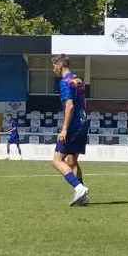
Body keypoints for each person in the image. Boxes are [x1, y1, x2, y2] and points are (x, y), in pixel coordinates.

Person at [49, 55, 90, 206]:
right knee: (72, 161)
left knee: (56, 160)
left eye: (54, 65)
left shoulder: (65, 82)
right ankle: (83, 196)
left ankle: (79, 188)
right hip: (83, 122)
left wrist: (64, 129)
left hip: (73, 125)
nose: (53, 69)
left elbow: (70, 106)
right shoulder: (77, 80)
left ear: (60, 65)